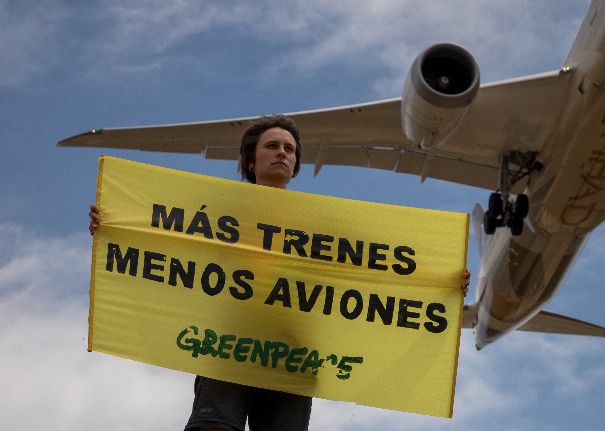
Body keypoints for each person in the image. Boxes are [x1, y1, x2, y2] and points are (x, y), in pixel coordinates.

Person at [88, 114, 471, 431]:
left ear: (296, 164)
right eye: (272, 146)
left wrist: (441, 278)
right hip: (227, 344)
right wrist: (114, 224)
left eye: (289, 149)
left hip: (293, 353)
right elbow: (160, 239)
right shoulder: (217, 213)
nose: (282, 153)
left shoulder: (319, 225)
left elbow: (374, 266)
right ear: (250, 161)